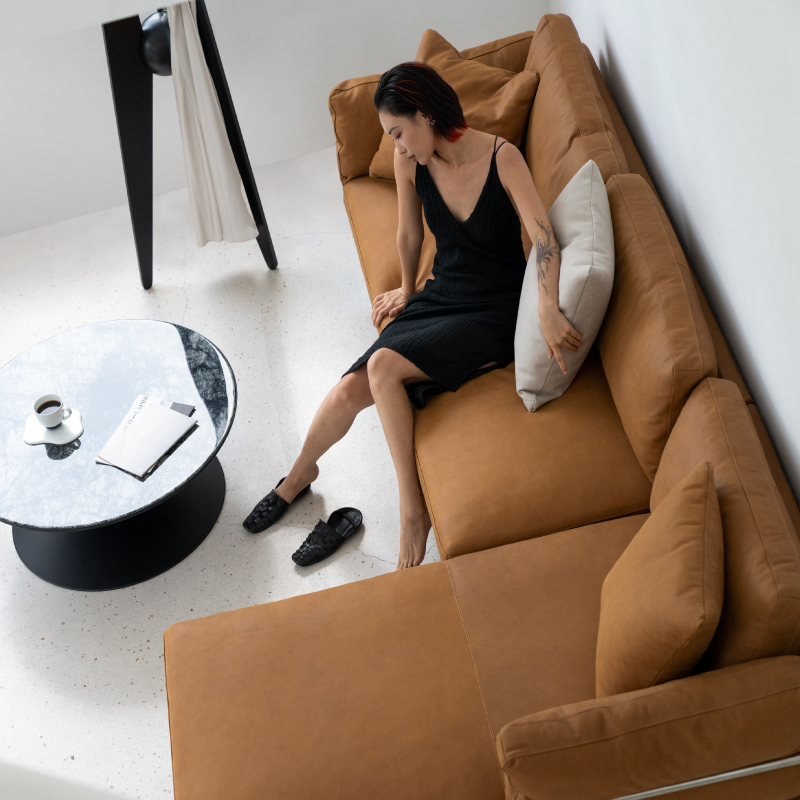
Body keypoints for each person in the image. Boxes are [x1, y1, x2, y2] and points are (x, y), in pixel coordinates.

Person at [243, 62, 582, 570]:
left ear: (425, 115)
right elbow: (409, 233)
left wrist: (547, 306)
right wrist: (406, 291)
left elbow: (544, 238)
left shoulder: (502, 157)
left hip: (492, 310)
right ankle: (298, 477)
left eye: (398, 132)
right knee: (350, 388)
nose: (396, 145)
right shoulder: (412, 163)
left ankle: (411, 510)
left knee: (382, 367)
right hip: (443, 292)